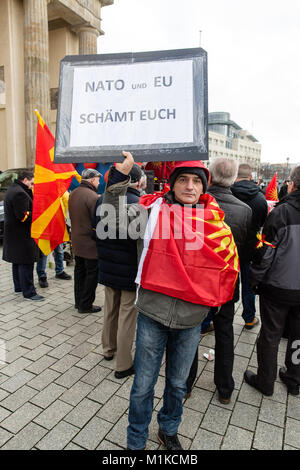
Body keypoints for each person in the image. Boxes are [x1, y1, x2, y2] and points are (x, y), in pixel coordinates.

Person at [100, 151, 239, 450]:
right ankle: (136, 439)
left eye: (196, 182)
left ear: (204, 187)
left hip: (191, 320)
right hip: (152, 314)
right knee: (142, 387)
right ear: (173, 185)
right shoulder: (151, 212)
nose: (190, 186)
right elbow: (110, 216)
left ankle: (168, 429)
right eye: (184, 180)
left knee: (177, 385)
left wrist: (210, 307)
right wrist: (119, 178)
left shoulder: (215, 222)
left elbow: (224, 269)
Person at [186, 158, 252, 403]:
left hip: (197, 282)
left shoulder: (194, 207)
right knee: (225, 332)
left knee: (191, 332)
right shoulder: (244, 210)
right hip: (226, 282)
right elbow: (242, 252)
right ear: (234, 179)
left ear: (209, 178)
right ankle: (224, 388)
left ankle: (185, 384)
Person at [244, 166, 300, 397]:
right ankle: (294, 378)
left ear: (292, 185)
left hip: (278, 286)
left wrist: (254, 281)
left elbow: (265, 253)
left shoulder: (282, 212)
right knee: (298, 334)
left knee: (270, 334)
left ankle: (266, 380)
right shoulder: (282, 211)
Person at [95, 164, 143, 379]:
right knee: (127, 317)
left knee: (110, 310)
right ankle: (123, 364)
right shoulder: (140, 205)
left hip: (108, 265)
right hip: (129, 269)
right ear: (139, 182)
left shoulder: (101, 199)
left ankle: (108, 349)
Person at [231, 163, 268, 329]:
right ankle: (249, 318)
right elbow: (262, 224)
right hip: (250, 250)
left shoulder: (228, 194)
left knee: (227, 284)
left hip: (228, 248)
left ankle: (216, 318)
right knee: (248, 285)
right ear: (251, 177)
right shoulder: (261, 199)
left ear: (235, 177)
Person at [2, 170, 44, 301]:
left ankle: (19, 287)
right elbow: (23, 216)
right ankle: (29, 292)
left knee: (17, 261)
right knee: (26, 262)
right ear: (25, 180)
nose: (32, 186)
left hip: (14, 234)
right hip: (22, 235)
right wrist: (38, 215)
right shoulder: (20, 193)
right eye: (31, 183)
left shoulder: (12, 189)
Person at [68, 168, 101, 314]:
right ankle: (86, 304)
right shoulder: (93, 196)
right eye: (98, 180)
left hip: (76, 240)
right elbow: (98, 221)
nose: (99, 182)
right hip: (90, 243)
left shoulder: (73, 193)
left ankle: (78, 301)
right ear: (92, 180)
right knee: (91, 274)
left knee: (79, 271)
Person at [36, 191, 72, 287]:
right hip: (44, 224)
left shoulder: (60, 188)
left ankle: (59, 271)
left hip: (58, 223)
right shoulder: (41, 186)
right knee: (43, 251)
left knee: (59, 249)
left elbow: (68, 201)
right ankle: (42, 275)